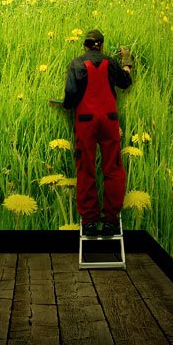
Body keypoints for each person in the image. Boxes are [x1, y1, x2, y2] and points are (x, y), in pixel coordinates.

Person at [62, 29, 133, 237]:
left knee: (85, 168)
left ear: (85, 45)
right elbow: (125, 82)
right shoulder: (110, 62)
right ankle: (111, 220)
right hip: (109, 120)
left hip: (85, 122)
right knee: (113, 167)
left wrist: (66, 106)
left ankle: (90, 221)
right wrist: (127, 62)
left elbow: (71, 95)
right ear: (101, 45)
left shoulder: (76, 63)